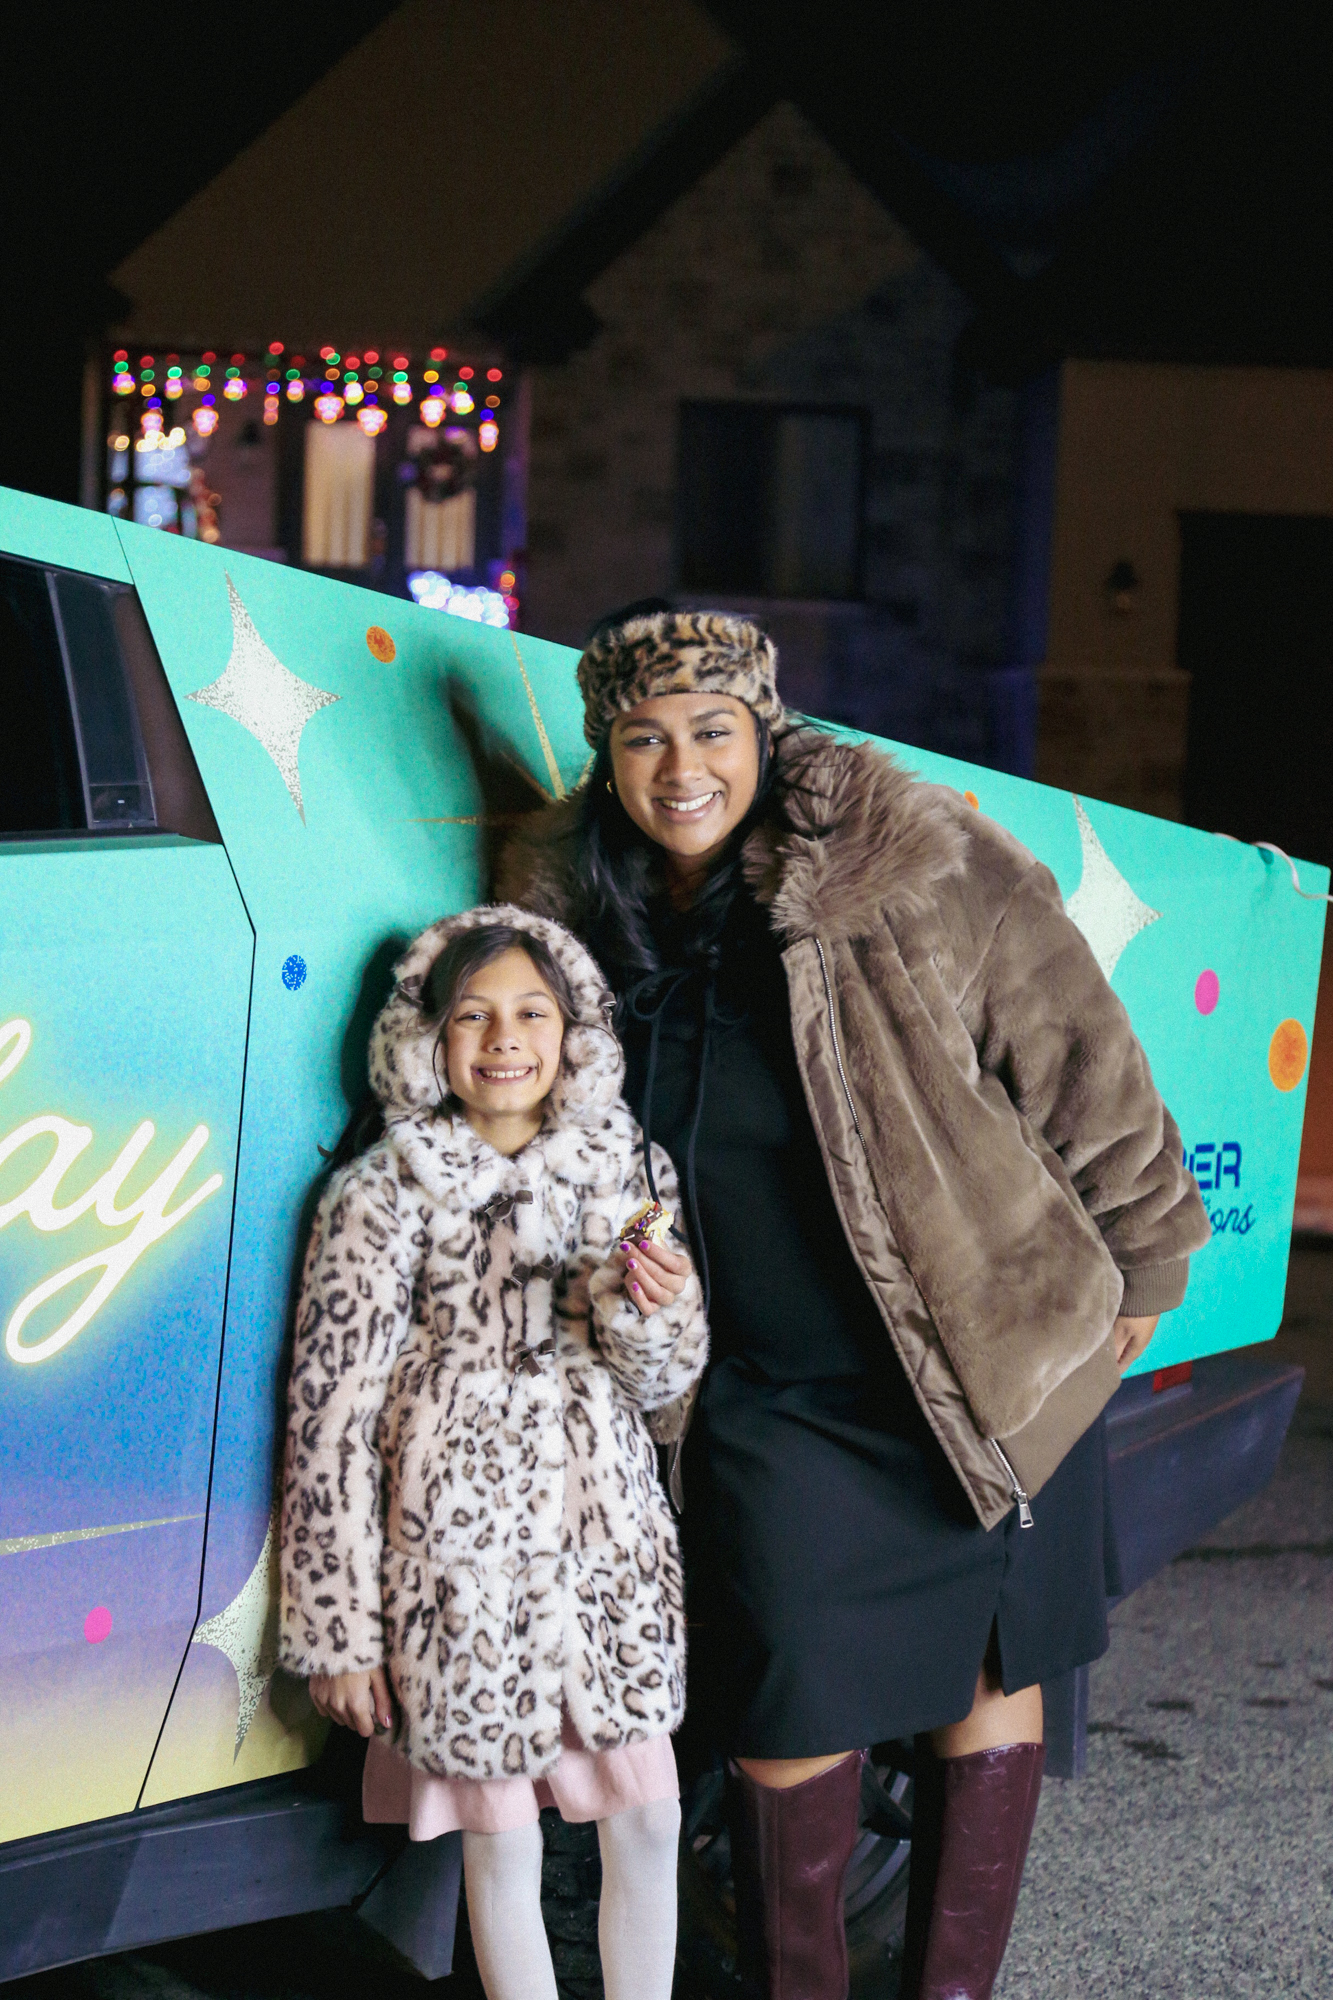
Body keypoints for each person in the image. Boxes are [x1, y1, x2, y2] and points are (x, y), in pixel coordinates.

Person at [497, 610, 1211, 2000]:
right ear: (607, 756)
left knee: (984, 1685)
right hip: (768, 1389)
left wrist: (1147, 1256)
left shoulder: (910, 858)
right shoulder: (582, 906)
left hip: (983, 1348)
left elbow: (1079, 1052)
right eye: (644, 740)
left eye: (713, 733)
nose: (681, 767)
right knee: (786, 1707)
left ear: (765, 735)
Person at [278, 907, 707, 2000]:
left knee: (649, 1813)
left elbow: (665, 1386)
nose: (503, 1036)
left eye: (531, 1011)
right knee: (501, 1836)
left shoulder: (624, 1166)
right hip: (457, 1567)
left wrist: (652, 1314)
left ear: (575, 1033)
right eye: (471, 1013)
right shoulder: (379, 1194)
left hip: (604, 1549)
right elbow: (327, 1417)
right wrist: (340, 1632)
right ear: (427, 1038)